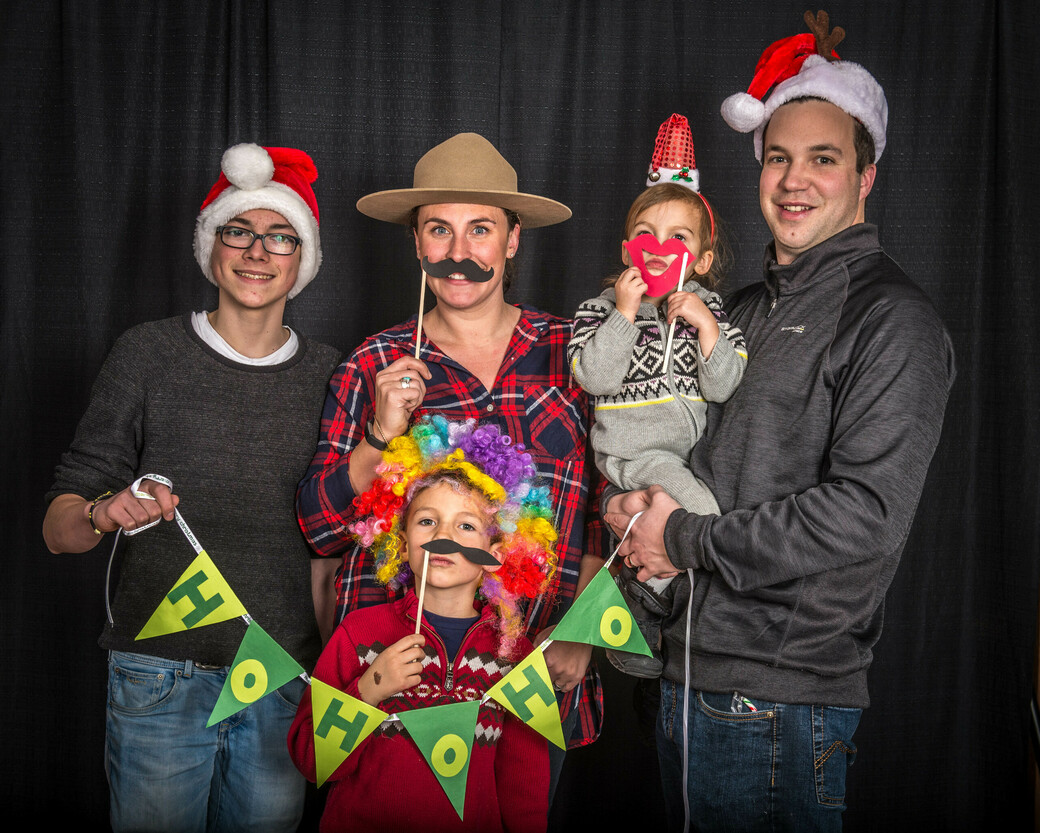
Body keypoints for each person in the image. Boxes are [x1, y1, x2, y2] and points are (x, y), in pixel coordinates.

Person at [605, 13, 956, 832]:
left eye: (823, 159)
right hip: (685, 677)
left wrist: (682, 538)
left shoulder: (892, 321)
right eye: (778, 158)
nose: (794, 180)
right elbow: (690, 455)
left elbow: (863, 518)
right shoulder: (741, 311)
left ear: (866, 177)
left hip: (775, 701)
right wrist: (633, 513)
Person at [42, 143, 342, 832]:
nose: (257, 252)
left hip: (282, 679)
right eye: (239, 230)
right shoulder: (147, 353)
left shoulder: (333, 373)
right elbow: (58, 527)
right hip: (158, 676)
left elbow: (342, 531)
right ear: (213, 246)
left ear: (303, 260)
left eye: (280, 237)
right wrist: (101, 511)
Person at [294, 133, 608, 791]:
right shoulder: (373, 364)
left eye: (481, 230)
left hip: (528, 678)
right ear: (417, 243)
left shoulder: (577, 356)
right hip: (394, 674)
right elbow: (320, 529)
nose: (459, 254)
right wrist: (381, 434)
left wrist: (585, 630)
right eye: (440, 230)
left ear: (513, 239)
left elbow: (611, 511)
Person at [289, 416, 556, 832]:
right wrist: (369, 689)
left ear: (499, 551)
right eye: (426, 521)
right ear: (401, 539)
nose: (442, 536)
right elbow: (313, 761)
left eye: (466, 526)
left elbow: (525, 786)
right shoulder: (359, 635)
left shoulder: (516, 658)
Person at [568, 114, 747, 679]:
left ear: (704, 260)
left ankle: (637, 619)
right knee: (705, 521)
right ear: (628, 251)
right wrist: (623, 314)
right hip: (632, 455)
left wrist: (707, 328)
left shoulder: (711, 312)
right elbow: (593, 377)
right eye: (647, 236)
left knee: (670, 532)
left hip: (684, 457)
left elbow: (723, 385)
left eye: (679, 238)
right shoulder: (599, 311)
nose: (660, 248)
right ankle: (652, 609)